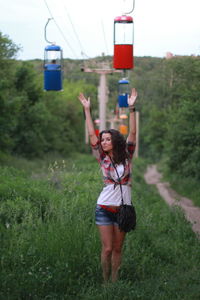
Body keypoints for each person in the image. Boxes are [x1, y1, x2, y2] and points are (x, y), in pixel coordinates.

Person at [78, 88, 138, 283]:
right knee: (107, 248)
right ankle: (105, 283)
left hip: (123, 209)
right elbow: (91, 135)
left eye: (107, 139)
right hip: (104, 208)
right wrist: (87, 110)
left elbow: (133, 132)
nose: (103, 142)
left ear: (115, 141)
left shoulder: (127, 155)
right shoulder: (102, 158)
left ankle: (115, 281)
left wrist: (131, 108)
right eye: (102, 140)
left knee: (118, 249)